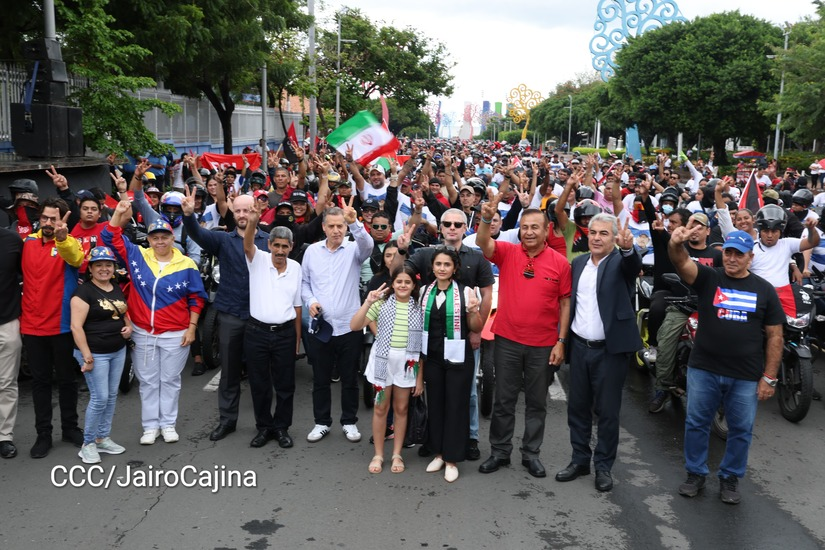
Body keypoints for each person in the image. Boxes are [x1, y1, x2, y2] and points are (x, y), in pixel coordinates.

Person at [668, 228, 784, 505]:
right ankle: (695, 473)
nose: (732, 258)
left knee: (741, 429)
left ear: (750, 258)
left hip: (745, 376)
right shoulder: (710, 278)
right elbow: (681, 262)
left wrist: (769, 377)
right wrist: (674, 243)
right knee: (697, 423)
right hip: (704, 369)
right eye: (728, 253)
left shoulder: (764, 290)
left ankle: (730, 477)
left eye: (738, 254)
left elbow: (776, 335)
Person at [475, 193, 571, 479]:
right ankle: (500, 452)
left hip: (543, 345)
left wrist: (561, 341)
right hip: (507, 340)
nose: (529, 232)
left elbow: (566, 302)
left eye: (535, 227)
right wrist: (484, 218)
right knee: (503, 400)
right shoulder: (508, 252)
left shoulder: (560, 263)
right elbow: (483, 242)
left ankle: (531, 454)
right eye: (524, 227)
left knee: (536, 402)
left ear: (546, 231)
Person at [102, 200, 207, 445]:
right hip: (143, 333)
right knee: (148, 381)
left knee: (170, 380)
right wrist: (118, 213)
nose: (160, 242)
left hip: (175, 334)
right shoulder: (137, 256)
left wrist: (192, 329)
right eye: (155, 238)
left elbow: (197, 299)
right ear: (148, 239)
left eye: (164, 237)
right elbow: (109, 237)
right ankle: (150, 426)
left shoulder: (187, 264)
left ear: (172, 238)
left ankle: (168, 424)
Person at [394, 208, 494, 461]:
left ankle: (469, 438)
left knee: (467, 392)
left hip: (464, 336)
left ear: (464, 228)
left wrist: (476, 331)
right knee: (434, 391)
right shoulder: (426, 254)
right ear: (440, 226)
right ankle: (434, 439)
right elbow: (398, 275)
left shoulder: (476, 257)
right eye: (447, 223)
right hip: (433, 340)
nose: (452, 227)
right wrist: (402, 250)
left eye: (457, 224)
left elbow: (486, 295)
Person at [556, 214, 642, 492]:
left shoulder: (620, 261)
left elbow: (633, 266)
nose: (596, 238)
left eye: (603, 233)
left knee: (607, 412)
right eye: (593, 232)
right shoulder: (579, 263)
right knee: (577, 408)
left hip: (610, 352)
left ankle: (603, 466)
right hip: (580, 347)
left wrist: (628, 249)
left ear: (614, 237)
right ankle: (580, 459)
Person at [181, 187, 270, 439]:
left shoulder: (268, 240)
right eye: (238, 210)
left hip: (260, 317)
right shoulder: (221, 240)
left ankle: (265, 425)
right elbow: (197, 234)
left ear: (257, 209)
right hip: (230, 314)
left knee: (260, 374)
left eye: (247, 209)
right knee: (229, 373)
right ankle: (227, 421)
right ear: (232, 210)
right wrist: (188, 216)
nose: (242, 214)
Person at [301, 199, 373, 443]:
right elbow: (304, 283)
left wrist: (356, 224)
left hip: (350, 326)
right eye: (332, 226)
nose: (336, 231)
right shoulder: (312, 252)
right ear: (324, 227)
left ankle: (349, 421)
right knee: (320, 378)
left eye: (341, 226)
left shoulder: (354, 250)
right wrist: (310, 300)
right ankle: (321, 422)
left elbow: (368, 245)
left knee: (350, 378)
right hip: (322, 327)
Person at [21, 198, 85, 458]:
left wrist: (63, 238)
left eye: (54, 219)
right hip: (32, 326)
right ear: (39, 218)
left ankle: (70, 428)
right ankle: (43, 434)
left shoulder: (68, 243)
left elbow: (78, 259)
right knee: (40, 383)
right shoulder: (27, 243)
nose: (49, 223)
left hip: (61, 325)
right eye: (45, 218)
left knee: (68, 381)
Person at [350, 267, 424, 475]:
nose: (402, 285)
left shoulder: (419, 308)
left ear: (413, 286)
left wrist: (419, 376)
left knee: (401, 409)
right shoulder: (381, 304)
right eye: (398, 281)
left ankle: (397, 454)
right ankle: (379, 454)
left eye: (407, 282)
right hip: (383, 360)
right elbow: (355, 326)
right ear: (393, 284)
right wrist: (368, 302)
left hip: (407, 363)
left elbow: (422, 348)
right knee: (381, 408)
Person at [419, 248, 482, 482]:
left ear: (455, 268)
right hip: (433, 357)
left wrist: (473, 310)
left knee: (456, 405)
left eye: (447, 264)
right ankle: (438, 452)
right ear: (432, 267)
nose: (442, 268)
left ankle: (452, 458)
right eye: (438, 264)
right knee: (435, 403)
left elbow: (476, 327)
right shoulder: (425, 291)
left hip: (459, 358)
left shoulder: (466, 292)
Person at [243, 206, 302, 450]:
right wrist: (253, 221)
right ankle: (264, 427)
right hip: (256, 333)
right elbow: (247, 244)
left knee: (285, 384)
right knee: (259, 384)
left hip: (285, 334)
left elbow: (297, 306)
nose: (280, 251)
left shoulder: (296, 268)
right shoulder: (257, 259)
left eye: (284, 246)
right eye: (276, 245)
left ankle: (281, 428)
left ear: (291, 247)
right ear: (269, 245)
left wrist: (297, 340)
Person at [70, 246, 133, 464]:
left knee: (111, 396)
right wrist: (87, 357)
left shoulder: (115, 287)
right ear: (91, 269)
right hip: (95, 354)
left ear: (114, 268)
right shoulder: (83, 292)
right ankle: (87, 443)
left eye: (108, 265)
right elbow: (76, 327)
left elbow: (123, 312)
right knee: (100, 398)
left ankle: (102, 437)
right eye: (99, 265)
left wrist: (129, 327)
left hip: (117, 350)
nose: (104, 269)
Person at [0, 227, 23, 459]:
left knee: (6, 383)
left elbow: (24, 274)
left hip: (6, 321)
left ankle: (4, 436)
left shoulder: (12, 241)